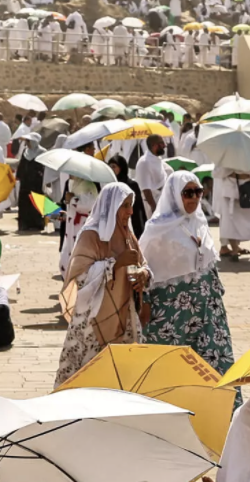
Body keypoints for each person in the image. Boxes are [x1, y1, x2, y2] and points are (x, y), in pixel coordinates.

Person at [140, 171, 234, 376]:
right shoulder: (157, 229)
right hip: (171, 317)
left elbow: (209, 262)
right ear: (174, 194)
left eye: (198, 192)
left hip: (207, 313)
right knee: (170, 371)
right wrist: (144, 301)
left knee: (211, 368)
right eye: (188, 193)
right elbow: (143, 267)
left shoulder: (200, 222)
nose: (194, 198)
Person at [55, 182, 148, 385]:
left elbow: (143, 263)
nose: (130, 212)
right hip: (92, 319)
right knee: (87, 375)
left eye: (131, 205)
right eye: (125, 205)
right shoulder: (91, 236)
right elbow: (78, 277)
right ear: (111, 207)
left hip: (124, 316)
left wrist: (143, 274)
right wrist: (115, 264)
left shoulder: (127, 235)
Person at [213, 164, 250, 261]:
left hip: (239, 191)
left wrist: (235, 173)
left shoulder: (226, 157)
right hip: (238, 191)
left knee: (238, 222)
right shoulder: (247, 155)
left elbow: (216, 173)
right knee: (242, 222)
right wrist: (242, 173)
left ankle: (237, 252)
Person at [134, 134, 169, 214]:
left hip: (162, 199)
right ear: (154, 145)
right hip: (151, 204)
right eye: (161, 143)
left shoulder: (157, 158)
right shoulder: (144, 162)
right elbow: (146, 189)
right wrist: (154, 207)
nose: (164, 145)